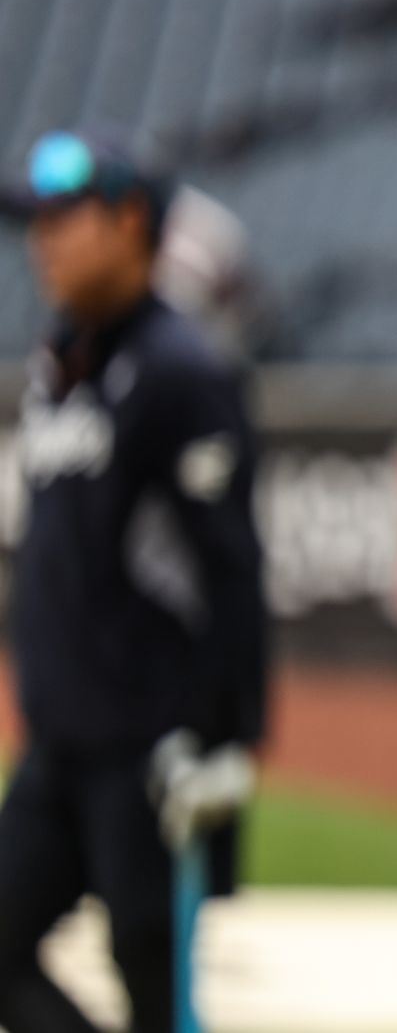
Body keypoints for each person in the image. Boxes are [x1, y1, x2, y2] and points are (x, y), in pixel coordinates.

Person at [0, 127, 267, 1033]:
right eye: (36, 220)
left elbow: (232, 569)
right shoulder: (62, 365)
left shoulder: (180, 369)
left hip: (153, 750)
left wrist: (230, 736)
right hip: (60, 743)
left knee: (154, 987)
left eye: (66, 219)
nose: (43, 238)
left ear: (130, 222)